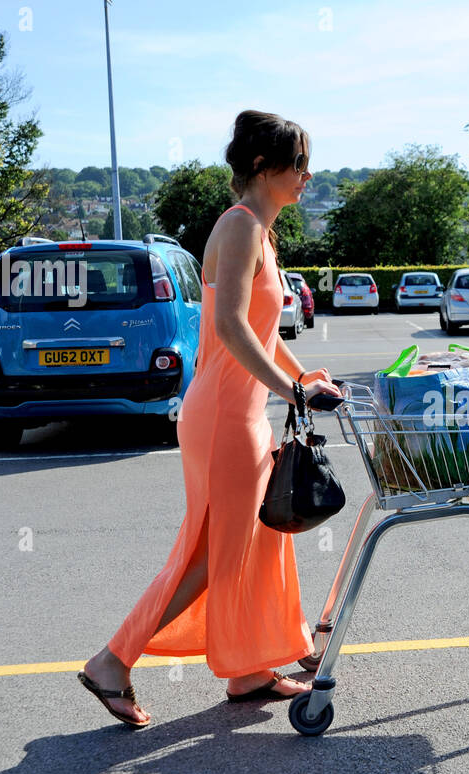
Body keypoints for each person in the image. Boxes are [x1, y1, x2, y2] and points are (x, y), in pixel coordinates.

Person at [78, 110, 342, 728]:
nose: (307, 175)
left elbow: (262, 332)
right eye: (297, 163)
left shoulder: (261, 233)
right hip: (224, 414)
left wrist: (302, 379)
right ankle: (112, 660)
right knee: (208, 555)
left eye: (307, 163)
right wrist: (291, 390)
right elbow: (224, 330)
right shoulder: (241, 226)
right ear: (260, 167)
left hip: (237, 412)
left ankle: (249, 669)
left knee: (254, 540)